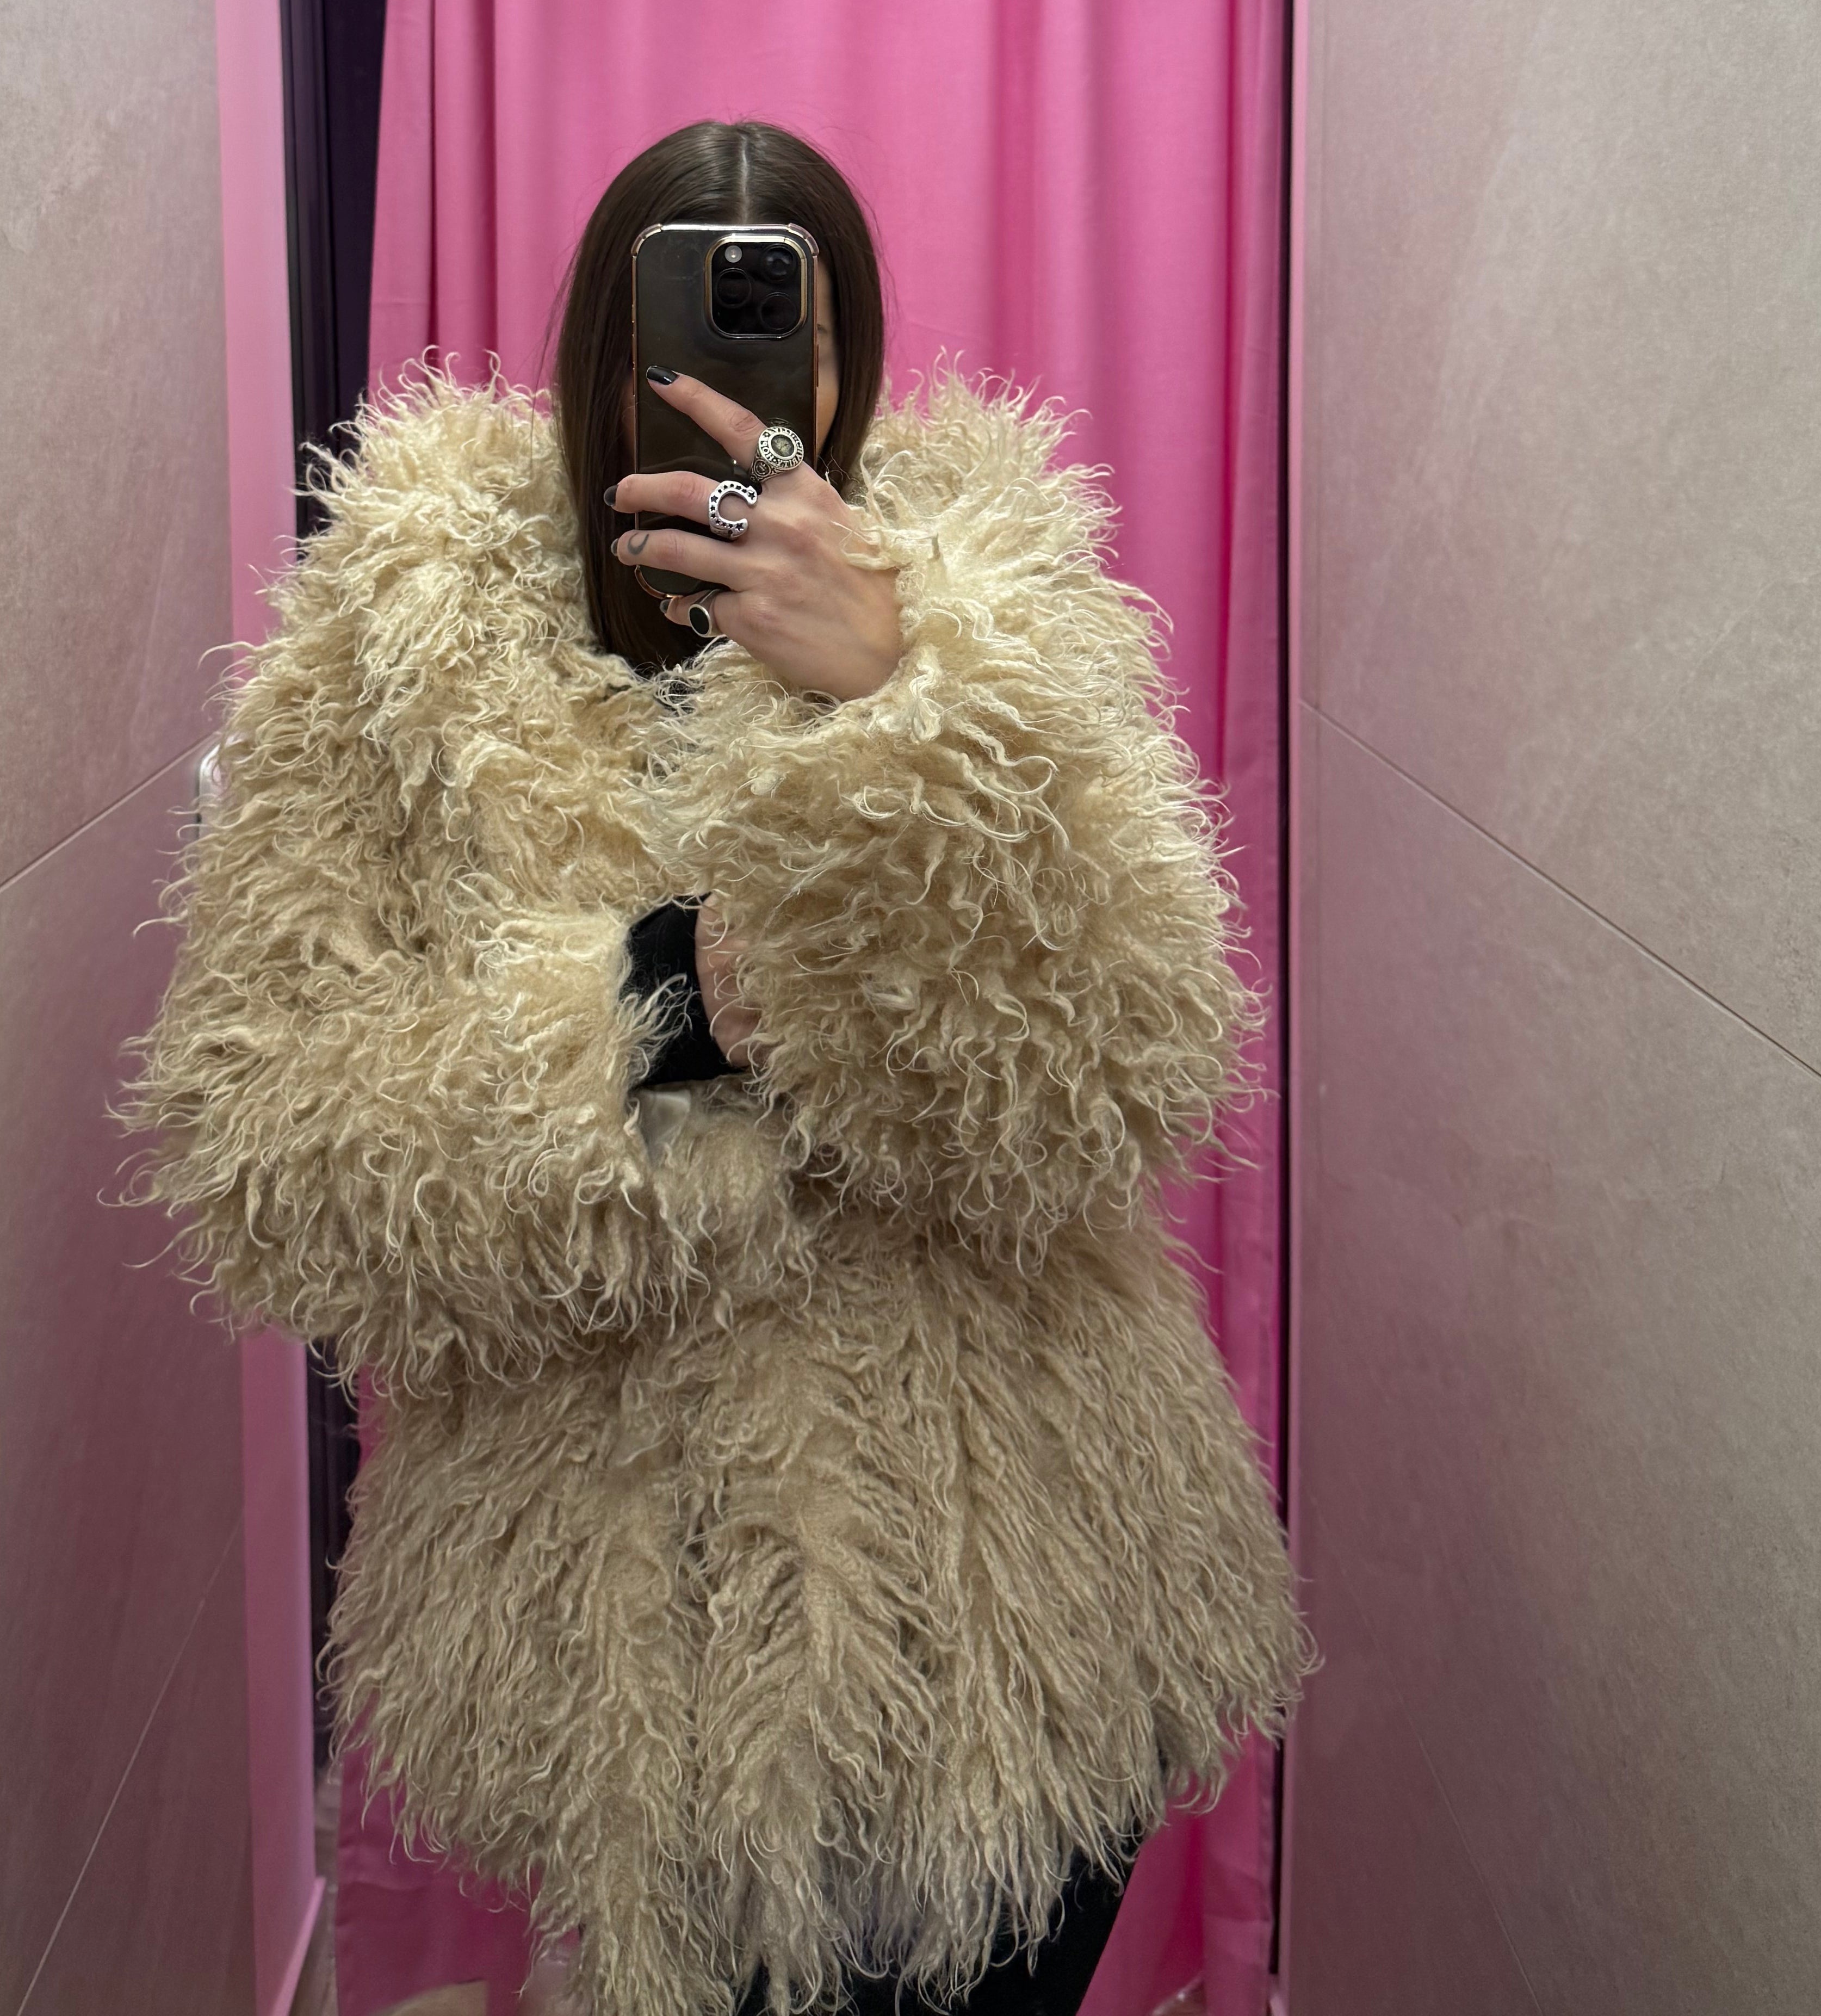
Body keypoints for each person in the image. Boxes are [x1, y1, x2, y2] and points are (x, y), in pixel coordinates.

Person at [130, 119, 1303, 2016]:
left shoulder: (990, 597)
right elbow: (270, 1139)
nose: (738, 386)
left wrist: (907, 702)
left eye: (788, 335)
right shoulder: (405, 632)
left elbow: (1130, 1068)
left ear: (849, 365)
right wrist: (662, 1011)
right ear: (602, 346)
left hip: (1013, 1591)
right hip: (630, 1626)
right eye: (685, 326)